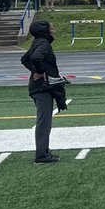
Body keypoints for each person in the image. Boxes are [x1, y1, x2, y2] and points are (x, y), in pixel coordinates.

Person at [20, 19, 66, 164]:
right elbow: (34, 58)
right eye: (51, 27)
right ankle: (41, 155)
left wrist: (36, 71)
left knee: (44, 121)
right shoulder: (43, 43)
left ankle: (44, 151)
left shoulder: (38, 42)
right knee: (44, 122)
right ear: (44, 30)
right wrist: (40, 72)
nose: (53, 29)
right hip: (42, 88)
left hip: (39, 86)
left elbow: (25, 59)